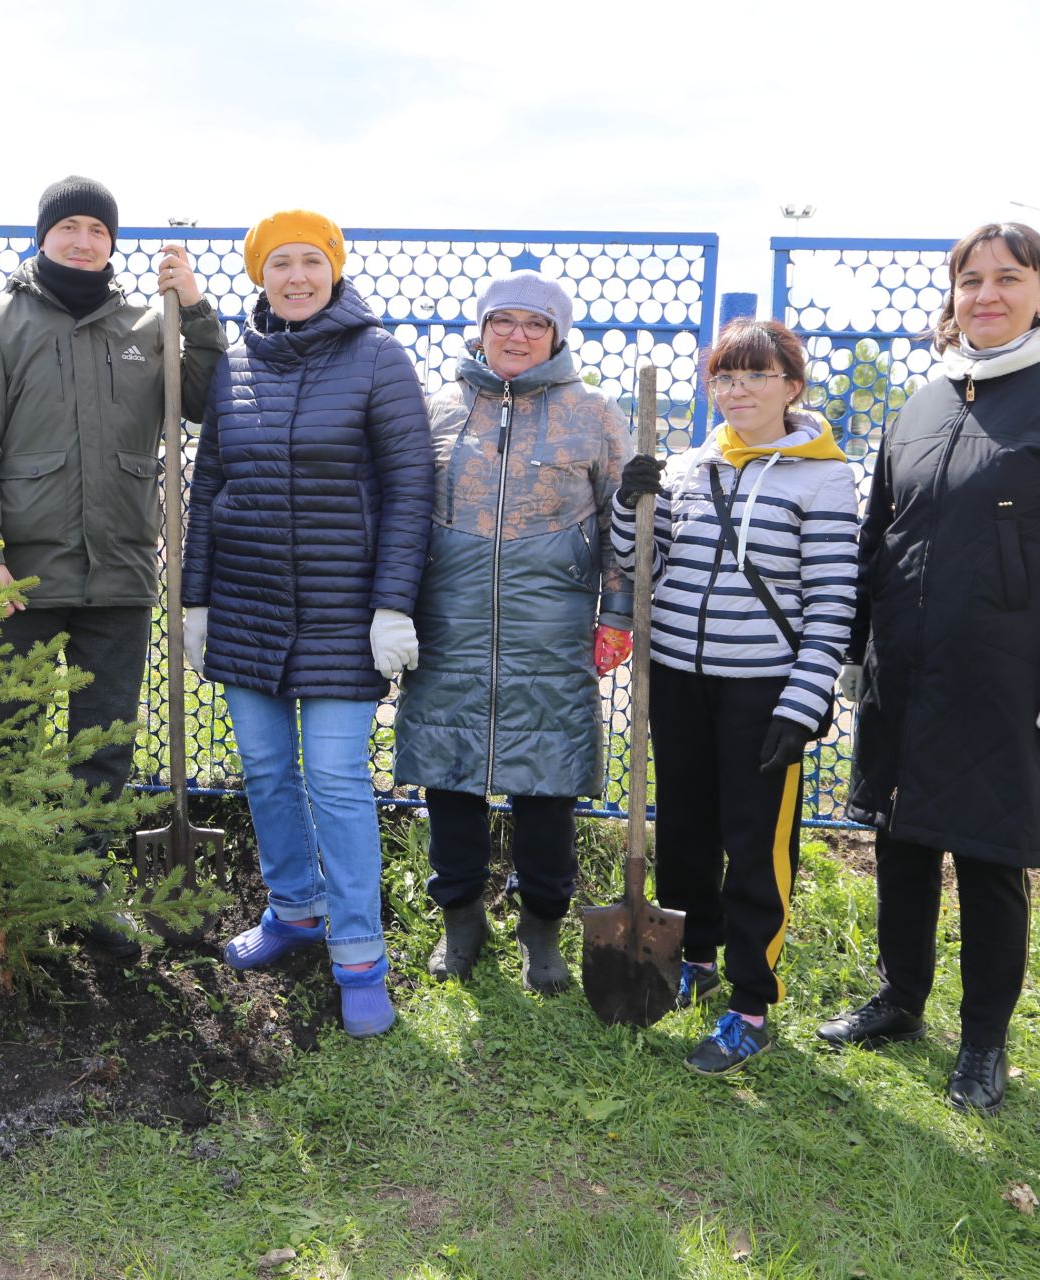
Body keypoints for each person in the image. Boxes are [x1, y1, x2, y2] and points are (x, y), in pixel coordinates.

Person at [822, 222, 1040, 1115]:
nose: (987, 296)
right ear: (952, 295)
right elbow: (878, 534)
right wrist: (858, 647)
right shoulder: (925, 401)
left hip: (1010, 678)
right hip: (907, 672)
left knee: (992, 860)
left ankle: (983, 1042)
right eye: (971, 280)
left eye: (1009, 278)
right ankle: (898, 1000)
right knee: (900, 844)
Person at [0, 175, 227, 959]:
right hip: (21, 578)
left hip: (122, 568)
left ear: (111, 242)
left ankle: (84, 891)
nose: (81, 240)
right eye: (67, 226)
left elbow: (205, 398)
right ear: (43, 237)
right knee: (14, 738)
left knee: (104, 741)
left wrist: (196, 312)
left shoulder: (148, 321)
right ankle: (13, 900)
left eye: (96, 230)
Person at [180, 209, 434, 1038]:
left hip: (340, 611)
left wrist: (393, 600)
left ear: (334, 269)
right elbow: (209, 480)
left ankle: (360, 954)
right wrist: (195, 599)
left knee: (334, 778)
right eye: (279, 263)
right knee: (263, 766)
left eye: (310, 262)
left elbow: (409, 491)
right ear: (259, 274)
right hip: (248, 606)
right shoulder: (234, 364)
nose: (296, 276)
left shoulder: (378, 359)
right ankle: (293, 909)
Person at [612, 316, 859, 1074]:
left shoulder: (824, 476)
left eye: (756, 374)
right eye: (724, 375)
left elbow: (832, 603)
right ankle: (696, 958)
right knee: (685, 830)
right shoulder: (691, 468)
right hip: (679, 682)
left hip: (764, 691)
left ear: (792, 385)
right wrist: (630, 504)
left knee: (756, 849)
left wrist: (802, 701)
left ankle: (750, 1003)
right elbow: (634, 564)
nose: (738, 389)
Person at [392, 268, 633, 994]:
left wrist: (618, 613)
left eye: (536, 323)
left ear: (557, 335)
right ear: (482, 327)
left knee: (547, 787)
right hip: (450, 623)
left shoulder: (591, 412)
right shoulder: (438, 408)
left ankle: (541, 931)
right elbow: (402, 513)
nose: (518, 335)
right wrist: (394, 606)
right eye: (504, 321)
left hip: (550, 628)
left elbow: (625, 522)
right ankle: (460, 920)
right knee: (450, 779)